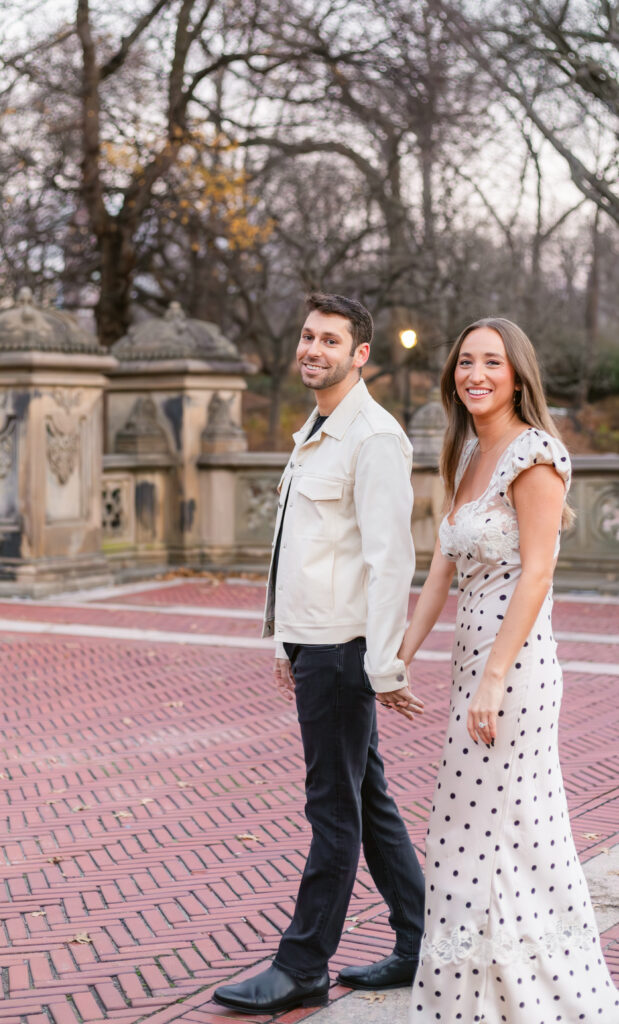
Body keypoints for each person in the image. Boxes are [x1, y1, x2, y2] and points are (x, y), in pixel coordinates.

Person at [399, 317, 619, 1022]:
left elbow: (536, 574)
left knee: (504, 835)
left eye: (491, 363)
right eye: (465, 362)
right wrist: (397, 658)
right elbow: (439, 570)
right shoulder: (466, 453)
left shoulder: (535, 454)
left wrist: (494, 679)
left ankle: (542, 999)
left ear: (517, 374)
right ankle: (476, 1000)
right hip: (473, 667)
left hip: (515, 671)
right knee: (471, 835)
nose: (475, 375)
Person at [212, 292, 426, 1015]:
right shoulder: (317, 428)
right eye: (307, 337)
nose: (312, 350)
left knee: (332, 809)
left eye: (329, 341)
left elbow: (389, 560)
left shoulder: (372, 437)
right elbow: (298, 550)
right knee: (368, 800)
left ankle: (302, 964)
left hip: (342, 651)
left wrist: (381, 664)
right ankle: (419, 942)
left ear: (359, 354)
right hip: (312, 642)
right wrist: (282, 642)